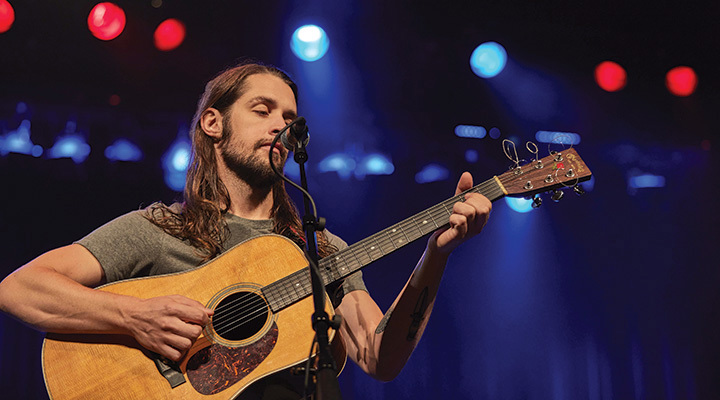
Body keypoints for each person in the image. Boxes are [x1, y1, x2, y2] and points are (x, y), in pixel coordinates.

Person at [0, 62, 491, 399]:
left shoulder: (322, 250)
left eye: (290, 118)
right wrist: (134, 317)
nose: (282, 125)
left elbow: (378, 357)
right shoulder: (159, 229)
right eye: (262, 110)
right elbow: (20, 288)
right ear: (213, 123)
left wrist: (437, 255)